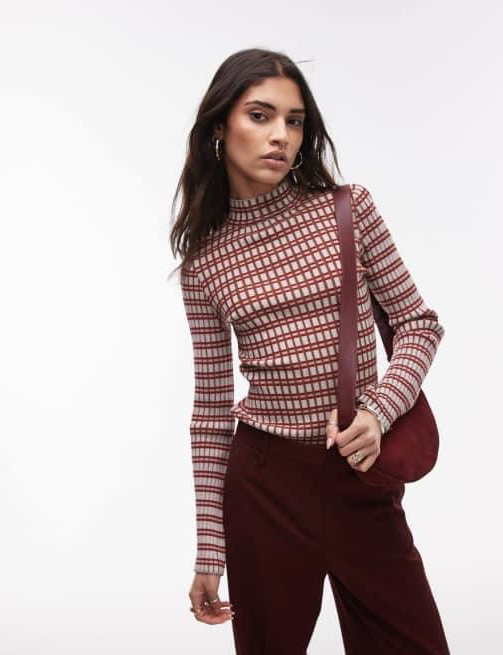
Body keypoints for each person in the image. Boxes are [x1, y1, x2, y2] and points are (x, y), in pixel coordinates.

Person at [169, 47, 451, 654]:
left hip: (358, 475)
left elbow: (419, 325)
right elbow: (211, 415)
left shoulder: (349, 210)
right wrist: (209, 551)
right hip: (264, 488)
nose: (281, 135)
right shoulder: (204, 264)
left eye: (294, 121)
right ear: (220, 128)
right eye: (261, 115)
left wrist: (377, 411)